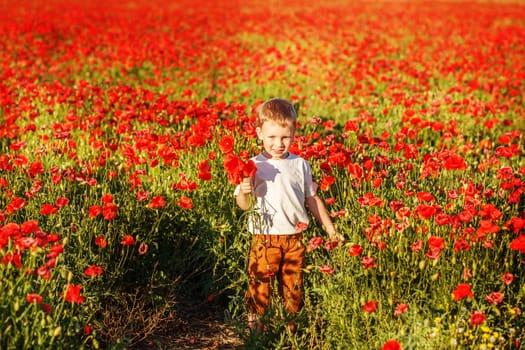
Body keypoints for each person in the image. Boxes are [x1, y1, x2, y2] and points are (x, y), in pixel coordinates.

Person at [235, 98, 344, 333]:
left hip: (295, 238)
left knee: (293, 287)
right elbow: (244, 206)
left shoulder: (300, 164)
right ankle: (256, 335)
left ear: (294, 134)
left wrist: (330, 228)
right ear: (259, 133)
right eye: (272, 137)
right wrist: (244, 192)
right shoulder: (253, 165)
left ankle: (291, 332)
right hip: (265, 239)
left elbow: (312, 199)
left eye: (285, 137)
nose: (278, 144)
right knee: (260, 286)